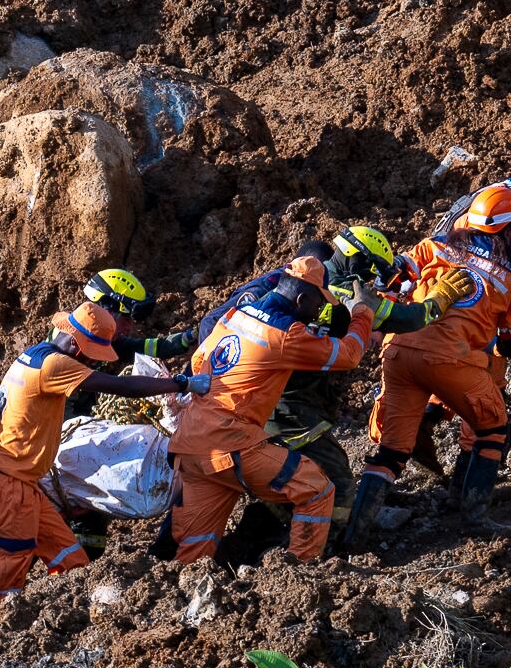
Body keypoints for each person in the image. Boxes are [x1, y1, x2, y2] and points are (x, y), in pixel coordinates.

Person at [0, 270, 192, 651]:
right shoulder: (56, 366)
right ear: (79, 348)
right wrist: (181, 384)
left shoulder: (33, 354)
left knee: (73, 564)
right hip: (8, 488)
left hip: (26, 486)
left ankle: (68, 637)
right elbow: (121, 387)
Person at [170, 233, 426, 565]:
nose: (320, 310)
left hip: (190, 444)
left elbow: (198, 364)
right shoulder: (285, 334)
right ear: (302, 297)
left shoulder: (235, 315)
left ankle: (193, 593)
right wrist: (362, 313)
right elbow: (348, 355)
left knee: (194, 550)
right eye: (319, 302)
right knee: (318, 489)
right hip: (233, 445)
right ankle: (300, 572)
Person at [357, 185, 511, 538]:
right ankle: (474, 516)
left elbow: (393, 275)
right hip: (451, 360)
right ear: (508, 229)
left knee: (392, 451)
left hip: (398, 351)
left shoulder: (436, 245)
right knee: (492, 428)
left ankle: (354, 535)